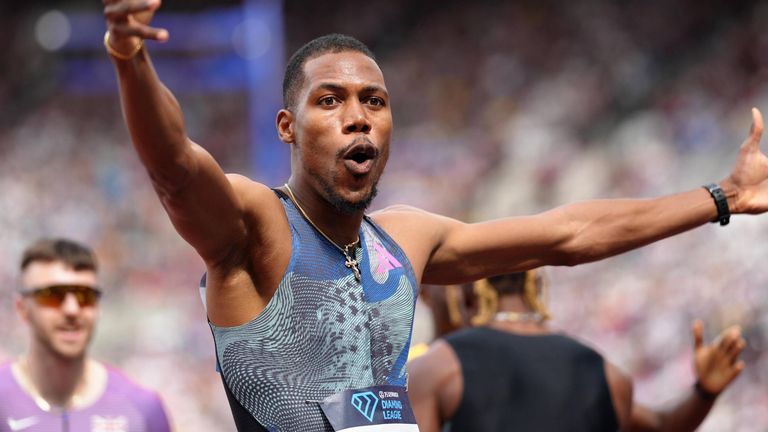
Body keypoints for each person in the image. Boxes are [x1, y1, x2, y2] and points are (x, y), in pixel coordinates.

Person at [102, 0, 767, 429]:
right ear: (287, 126)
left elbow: (570, 234)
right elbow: (176, 168)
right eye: (330, 101)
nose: (357, 115)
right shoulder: (254, 227)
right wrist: (131, 62)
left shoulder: (407, 239)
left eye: (374, 100)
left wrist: (722, 197)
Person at [408, 272, 747, 432]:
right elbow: (662, 427)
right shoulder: (606, 374)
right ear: (537, 286)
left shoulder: (438, 368)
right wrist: (703, 392)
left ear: (470, 291)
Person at [0, 238, 172, 432]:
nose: (72, 310)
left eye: (85, 296)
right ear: (22, 308)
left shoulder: (141, 408)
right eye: (53, 295)